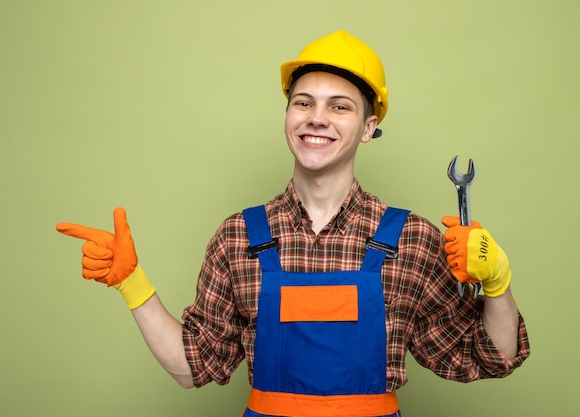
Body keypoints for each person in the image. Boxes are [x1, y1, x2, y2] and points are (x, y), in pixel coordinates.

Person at [56, 30, 530, 417]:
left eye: (339, 106)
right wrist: (133, 286)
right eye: (303, 102)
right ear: (288, 115)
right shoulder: (238, 237)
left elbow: (489, 357)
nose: (316, 118)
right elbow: (190, 368)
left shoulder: (411, 239)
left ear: (368, 127)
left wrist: (498, 283)